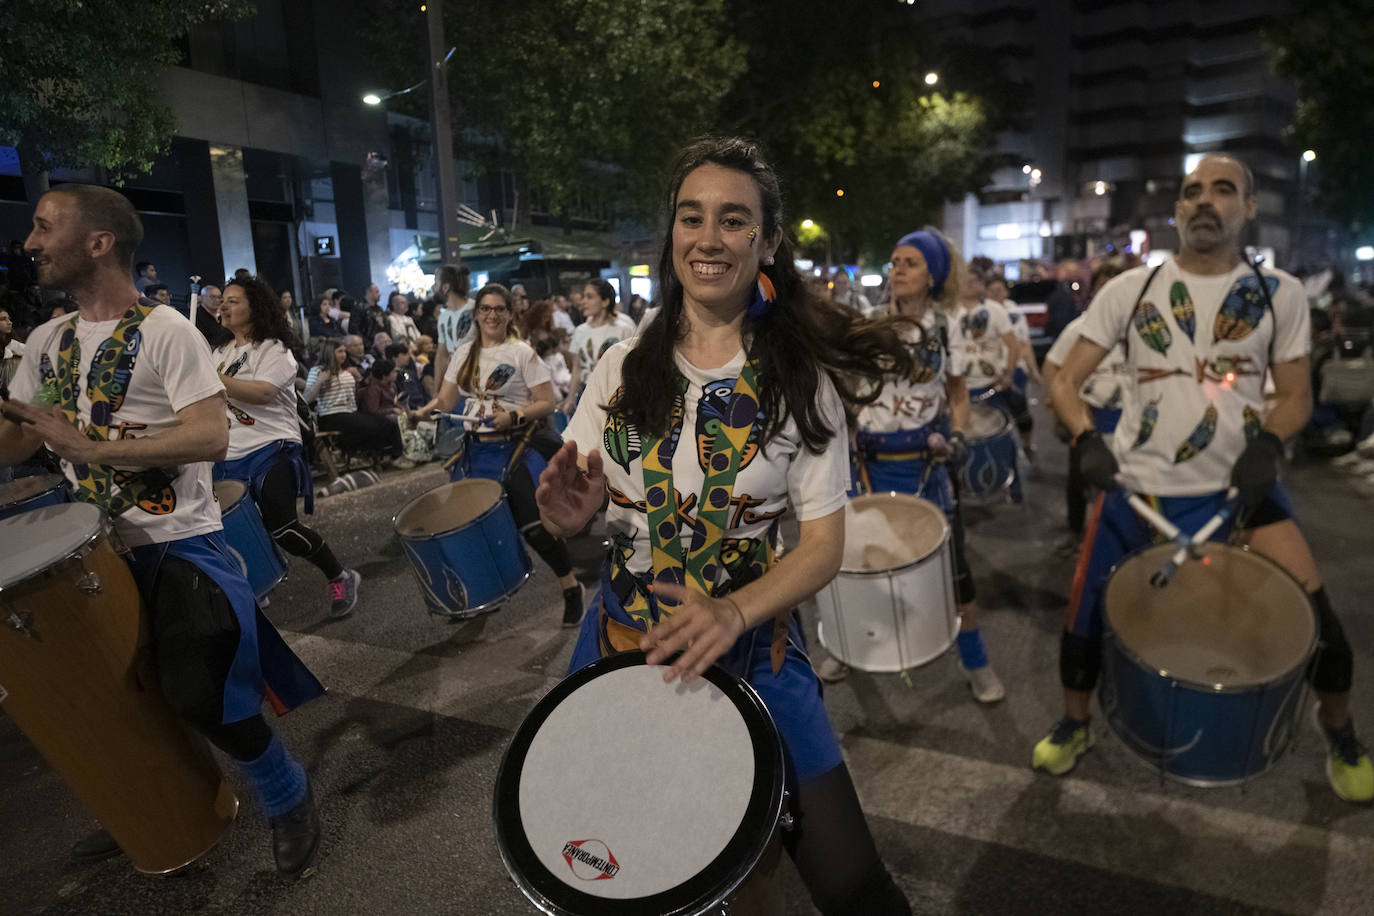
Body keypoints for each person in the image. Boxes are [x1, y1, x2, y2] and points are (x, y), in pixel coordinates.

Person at [536, 136, 913, 915]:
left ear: (767, 240)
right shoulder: (619, 363)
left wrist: (735, 610)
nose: (708, 238)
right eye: (691, 216)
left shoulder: (801, 382)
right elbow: (589, 517)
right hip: (624, 646)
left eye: (733, 220)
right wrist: (572, 521)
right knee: (628, 868)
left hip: (755, 652)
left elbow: (823, 547)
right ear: (671, 232)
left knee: (855, 891)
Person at [2, 184, 322, 877]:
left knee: (199, 692)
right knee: (117, 701)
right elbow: (15, 443)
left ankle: (286, 792)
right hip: (85, 556)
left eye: (44, 227)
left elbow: (209, 436)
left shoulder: (167, 330)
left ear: (99, 242)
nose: (30, 243)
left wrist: (89, 451)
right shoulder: (43, 341)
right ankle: (165, 799)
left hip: (180, 546)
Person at [1034, 154, 1373, 802]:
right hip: (1137, 491)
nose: (1204, 201)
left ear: (1248, 208)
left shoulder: (1281, 293)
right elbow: (1063, 379)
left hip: (1241, 495)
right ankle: (1076, 722)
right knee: (1083, 622)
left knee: (1321, 624)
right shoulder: (1129, 289)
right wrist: (1085, 437)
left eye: (1223, 190)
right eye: (1192, 192)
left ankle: (1341, 731)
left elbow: (1297, 394)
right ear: (1177, 211)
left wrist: (1270, 443)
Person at [821, 228, 1005, 701]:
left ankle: (975, 658)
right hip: (866, 466)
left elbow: (958, 393)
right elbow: (845, 386)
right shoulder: (869, 323)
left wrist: (958, 434)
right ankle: (847, 644)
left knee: (955, 568)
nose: (897, 270)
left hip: (925, 466)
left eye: (910, 263)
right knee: (857, 559)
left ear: (932, 276)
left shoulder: (949, 327)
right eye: (895, 261)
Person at [411, 284, 584, 626]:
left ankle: (571, 587)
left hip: (515, 447)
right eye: (486, 309)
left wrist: (513, 416)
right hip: (475, 451)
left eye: (499, 309)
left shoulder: (521, 352)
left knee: (534, 528)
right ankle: (484, 595)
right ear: (476, 313)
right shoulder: (464, 353)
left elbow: (546, 402)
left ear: (509, 313)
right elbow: (446, 401)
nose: (492, 315)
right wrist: (426, 411)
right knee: (470, 528)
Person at [211, 276, 361, 619]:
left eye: (234, 300)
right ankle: (257, 585)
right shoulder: (218, 352)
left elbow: (263, 392)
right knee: (232, 529)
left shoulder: (273, 348)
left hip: (271, 447)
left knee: (282, 526)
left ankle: (340, 575)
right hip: (227, 454)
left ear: (255, 306)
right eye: (224, 300)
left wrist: (209, 378)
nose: (225, 305)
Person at [1042, 261, 1129, 547]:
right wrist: (1060, 412)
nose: (1112, 293)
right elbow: (1054, 369)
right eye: (1105, 287)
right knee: (1081, 476)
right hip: (1091, 417)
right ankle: (1077, 532)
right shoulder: (1080, 328)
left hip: (1130, 421)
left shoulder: (1141, 328)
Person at [956, 269, 1026, 500]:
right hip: (959, 390)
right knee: (959, 438)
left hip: (990, 386)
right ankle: (962, 487)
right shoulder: (947, 313)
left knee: (1003, 435)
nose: (970, 282)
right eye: (966, 278)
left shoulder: (995, 311)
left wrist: (1008, 374)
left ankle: (1014, 485)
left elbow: (1013, 345)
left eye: (975, 278)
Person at [303, 338, 411, 468]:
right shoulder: (318, 371)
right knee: (371, 426)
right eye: (339, 351)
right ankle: (384, 455)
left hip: (350, 412)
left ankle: (391, 455)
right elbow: (307, 399)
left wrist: (359, 379)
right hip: (331, 414)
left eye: (344, 351)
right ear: (330, 353)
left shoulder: (348, 371)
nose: (343, 354)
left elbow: (355, 396)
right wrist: (320, 380)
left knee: (387, 423)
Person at [563, 278, 637, 411]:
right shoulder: (580, 331)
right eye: (584, 296)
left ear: (605, 302)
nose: (583, 301)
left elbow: (634, 366)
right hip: (587, 394)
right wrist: (570, 398)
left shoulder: (624, 329)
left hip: (618, 395)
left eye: (589, 297)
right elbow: (577, 368)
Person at [433, 264, 474, 386]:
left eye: (436, 283)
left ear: (445, 287)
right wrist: (437, 391)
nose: (434, 287)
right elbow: (442, 356)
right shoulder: (443, 317)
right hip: (455, 385)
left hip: (477, 382)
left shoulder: (477, 310)